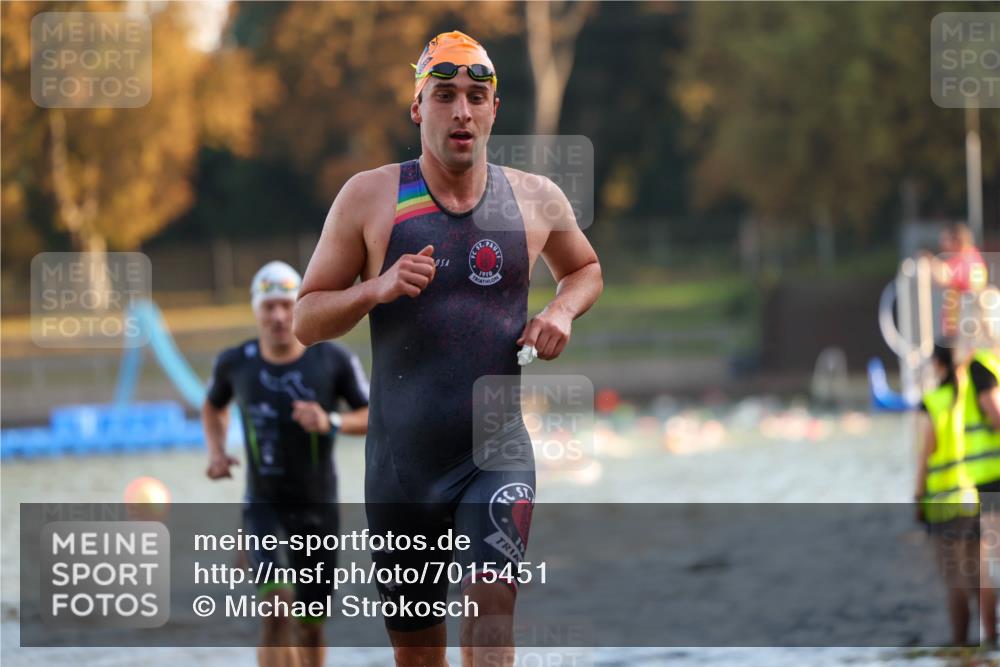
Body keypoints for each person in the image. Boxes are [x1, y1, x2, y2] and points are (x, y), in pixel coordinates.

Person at [294, 30, 603, 667]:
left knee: (491, 609)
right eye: (444, 96)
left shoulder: (534, 198)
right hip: (401, 470)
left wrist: (560, 311)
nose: (461, 110)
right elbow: (306, 319)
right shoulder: (370, 197)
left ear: (494, 110)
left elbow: (585, 269)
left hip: (495, 456)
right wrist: (375, 289)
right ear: (417, 107)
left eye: (475, 97)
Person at [202, 260, 371, 667]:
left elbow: (373, 415)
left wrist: (330, 421)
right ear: (256, 310)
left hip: (318, 511)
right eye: (269, 306)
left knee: (310, 626)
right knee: (277, 607)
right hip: (263, 507)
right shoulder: (235, 362)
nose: (278, 316)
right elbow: (213, 405)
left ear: (299, 307)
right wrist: (217, 452)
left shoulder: (332, 359)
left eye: (286, 305)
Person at [915, 343, 996, 647]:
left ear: (938, 365)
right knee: (980, 576)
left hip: (943, 504)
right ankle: (989, 641)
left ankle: (961, 646)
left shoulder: (935, 402)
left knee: (954, 580)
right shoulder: (966, 399)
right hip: (971, 496)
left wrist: (917, 497)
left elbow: (925, 455)